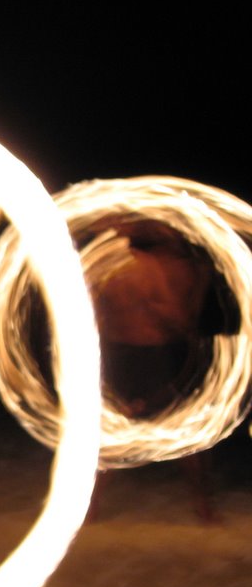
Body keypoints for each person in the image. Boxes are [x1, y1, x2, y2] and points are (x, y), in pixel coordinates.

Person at [89, 217, 216, 520]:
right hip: (138, 355)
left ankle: (90, 507)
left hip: (138, 355)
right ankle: (203, 508)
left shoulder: (106, 265)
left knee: (131, 429)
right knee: (161, 428)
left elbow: (92, 311)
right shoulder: (137, 267)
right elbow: (166, 311)